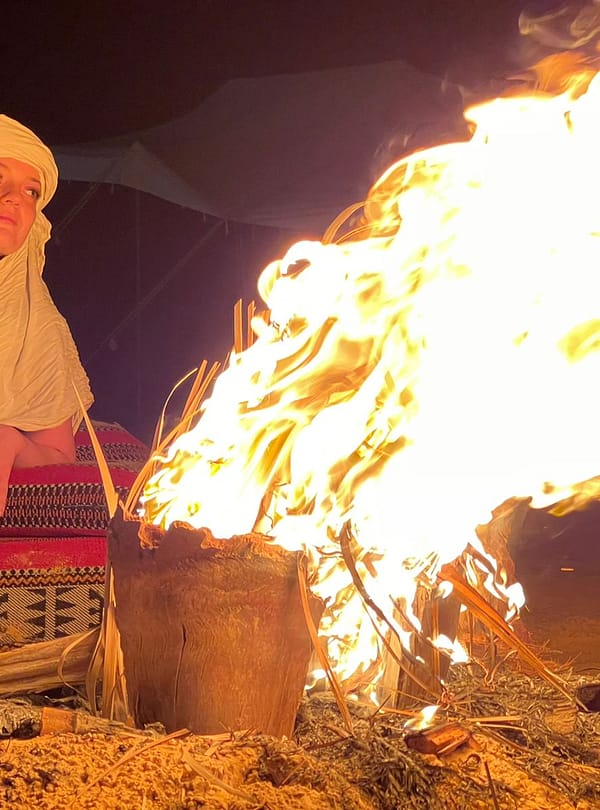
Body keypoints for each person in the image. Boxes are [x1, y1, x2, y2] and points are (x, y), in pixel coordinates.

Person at [0, 114, 93, 515]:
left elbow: (57, 453)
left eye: (31, 191)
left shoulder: (35, 324)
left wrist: (11, 442)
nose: (15, 198)